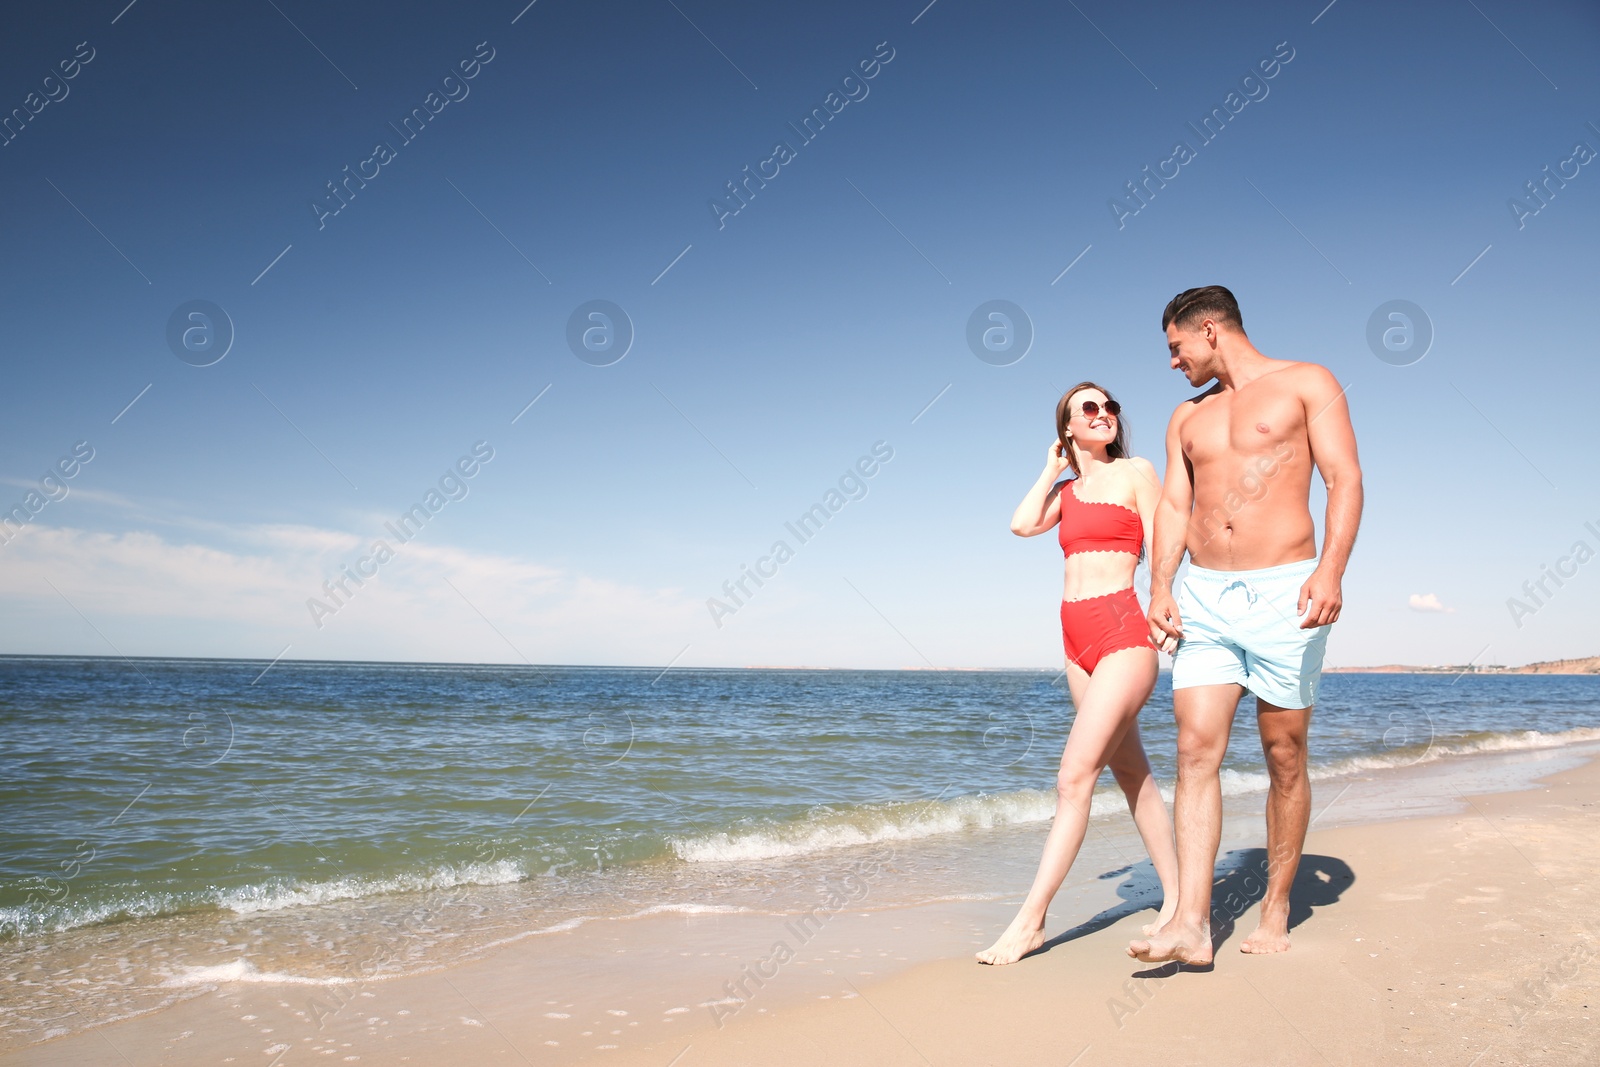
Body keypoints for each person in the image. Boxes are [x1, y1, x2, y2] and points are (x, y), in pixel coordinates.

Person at [1128, 285, 1362, 965]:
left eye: (1176, 347)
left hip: (1285, 589)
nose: (1174, 362)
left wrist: (1331, 571)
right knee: (1196, 746)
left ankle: (1277, 903)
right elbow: (1175, 504)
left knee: (1283, 752)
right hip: (1204, 594)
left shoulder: (1307, 382)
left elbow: (1344, 478)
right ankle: (1193, 923)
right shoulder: (1186, 418)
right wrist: (1162, 586)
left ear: (1208, 330)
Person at [977, 382, 1181, 966]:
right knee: (1132, 772)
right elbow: (1020, 525)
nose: (1104, 415)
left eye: (1110, 406)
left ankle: (1030, 921)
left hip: (1123, 630)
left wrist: (1165, 597)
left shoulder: (1136, 471)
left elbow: (1171, 532)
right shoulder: (1067, 491)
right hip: (1075, 640)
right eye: (1088, 409)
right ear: (1068, 427)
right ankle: (1176, 898)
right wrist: (1051, 469)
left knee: (1073, 779)